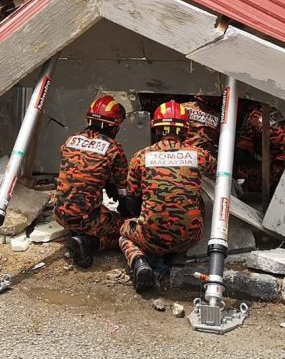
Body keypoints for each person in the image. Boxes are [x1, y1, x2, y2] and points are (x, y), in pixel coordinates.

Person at [119, 100, 217, 293]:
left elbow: (132, 200)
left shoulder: (140, 157)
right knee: (197, 201)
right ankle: (176, 253)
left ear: (156, 130)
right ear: (185, 130)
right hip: (190, 237)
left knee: (123, 232)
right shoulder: (200, 155)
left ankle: (139, 261)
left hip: (151, 237)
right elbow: (218, 173)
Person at [54, 96, 129, 269]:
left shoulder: (70, 141)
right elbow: (124, 189)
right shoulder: (113, 149)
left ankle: (78, 231)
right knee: (127, 229)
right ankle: (88, 242)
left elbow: (80, 172)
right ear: (113, 126)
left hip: (59, 214)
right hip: (86, 218)